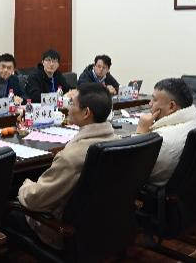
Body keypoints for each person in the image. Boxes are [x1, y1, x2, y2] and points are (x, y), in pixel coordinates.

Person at [9, 83, 119, 250]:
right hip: (104, 225)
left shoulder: (71, 157)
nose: (68, 107)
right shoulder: (118, 142)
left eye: (72, 103)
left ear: (86, 113)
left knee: (6, 206)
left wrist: (24, 186)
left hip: (62, 231)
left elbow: (34, 200)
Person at [136, 78, 196, 186]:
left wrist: (141, 132)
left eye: (154, 100)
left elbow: (134, 170)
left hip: (156, 190)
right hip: (195, 187)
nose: (150, 104)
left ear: (171, 106)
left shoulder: (162, 139)